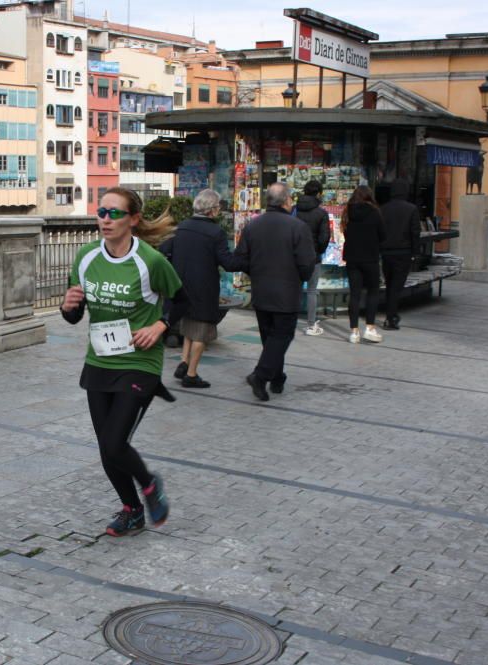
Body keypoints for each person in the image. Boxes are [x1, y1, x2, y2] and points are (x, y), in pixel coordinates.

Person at [60, 187, 183, 537]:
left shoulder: (150, 261)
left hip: (139, 362)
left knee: (115, 442)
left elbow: (184, 300)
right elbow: (74, 315)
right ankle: (131, 510)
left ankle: (149, 484)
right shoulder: (85, 257)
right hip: (99, 361)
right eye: (101, 212)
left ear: (133, 219)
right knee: (107, 448)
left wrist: (160, 325)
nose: (106, 219)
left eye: (115, 213)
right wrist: (68, 306)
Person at [235, 182, 315, 401]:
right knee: (281, 336)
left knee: (270, 338)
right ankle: (260, 376)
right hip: (287, 292)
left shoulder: (252, 226)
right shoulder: (298, 227)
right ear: (287, 201)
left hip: (261, 291)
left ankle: (277, 377)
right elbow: (307, 264)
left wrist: (256, 271)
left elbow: (241, 258)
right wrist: (300, 277)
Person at [160, 189, 244, 388]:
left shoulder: (182, 226)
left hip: (181, 286)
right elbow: (228, 262)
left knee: (189, 326)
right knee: (202, 331)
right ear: (212, 210)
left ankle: (183, 362)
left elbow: (164, 250)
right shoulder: (216, 232)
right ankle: (191, 374)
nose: (218, 210)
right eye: (218, 207)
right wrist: (245, 259)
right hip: (203, 289)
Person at [342, 185, 386, 344]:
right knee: (373, 291)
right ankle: (370, 327)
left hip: (352, 258)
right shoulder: (374, 212)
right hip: (370, 257)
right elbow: (383, 235)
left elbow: (345, 232)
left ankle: (354, 332)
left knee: (355, 294)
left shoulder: (348, 212)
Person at [378, 179, 421, 330]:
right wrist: (416, 252)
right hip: (404, 252)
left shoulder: (383, 209)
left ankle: (391, 314)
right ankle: (391, 317)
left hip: (386, 252)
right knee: (397, 286)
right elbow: (415, 232)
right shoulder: (411, 209)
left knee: (390, 284)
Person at [294, 180, 331, 336]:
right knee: (311, 290)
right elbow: (324, 238)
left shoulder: (294, 210)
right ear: (318, 194)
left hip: (294, 255)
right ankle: (310, 325)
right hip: (313, 256)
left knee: (294, 288)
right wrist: (318, 251)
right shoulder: (321, 213)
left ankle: (288, 320)